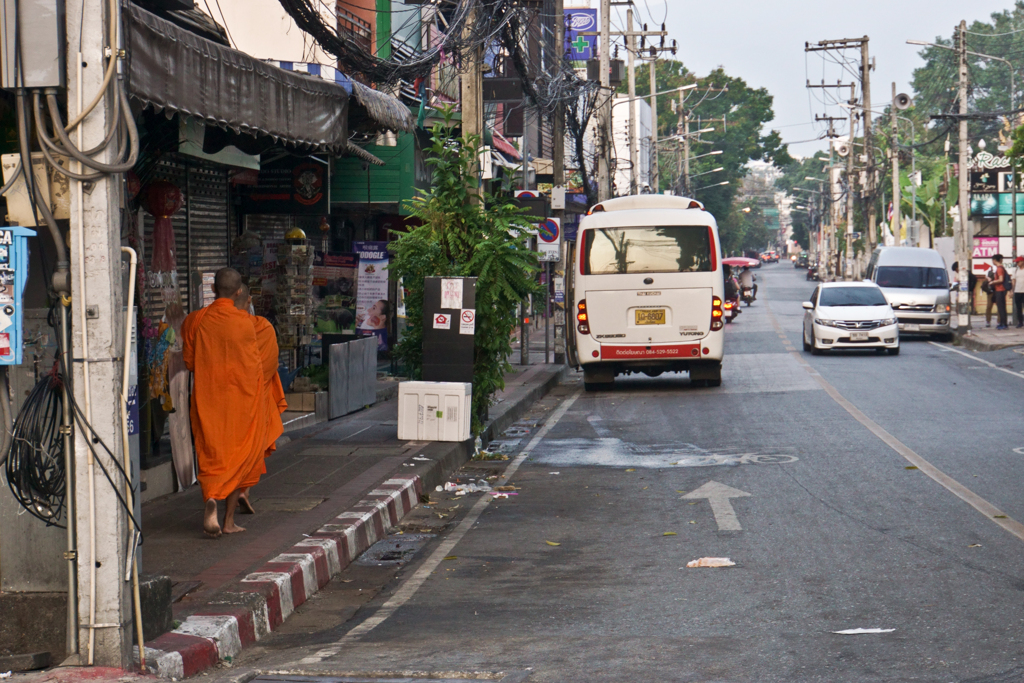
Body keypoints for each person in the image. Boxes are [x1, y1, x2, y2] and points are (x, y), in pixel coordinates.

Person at [182, 268, 271, 537]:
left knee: (211, 452)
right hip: (241, 401)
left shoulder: (195, 320)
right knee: (238, 455)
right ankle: (229, 520)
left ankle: (211, 497)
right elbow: (264, 364)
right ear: (239, 292)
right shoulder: (252, 325)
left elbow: (189, 361)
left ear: (212, 290)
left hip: (207, 399)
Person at [233, 284, 288, 514]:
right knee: (253, 443)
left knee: (230, 448)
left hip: (229, 396)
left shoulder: (217, 326)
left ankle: (222, 495)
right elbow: (271, 363)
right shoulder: (263, 327)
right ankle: (244, 491)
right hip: (257, 395)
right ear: (248, 302)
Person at [990, 254, 1009, 330]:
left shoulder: (999, 268)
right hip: (1000, 290)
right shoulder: (1000, 268)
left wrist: (993, 282)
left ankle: (1003, 324)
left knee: (1001, 308)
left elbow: (1001, 279)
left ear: (994, 260)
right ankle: (1002, 323)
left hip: (1000, 290)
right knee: (1001, 307)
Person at [1014, 256, 1024, 329]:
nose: (1017, 263)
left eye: (1018, 262)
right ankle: (1020, 322)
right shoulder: (1016, 270)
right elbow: (1013, 281)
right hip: (1017, 291)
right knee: (1018, 307)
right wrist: (1012, 290)